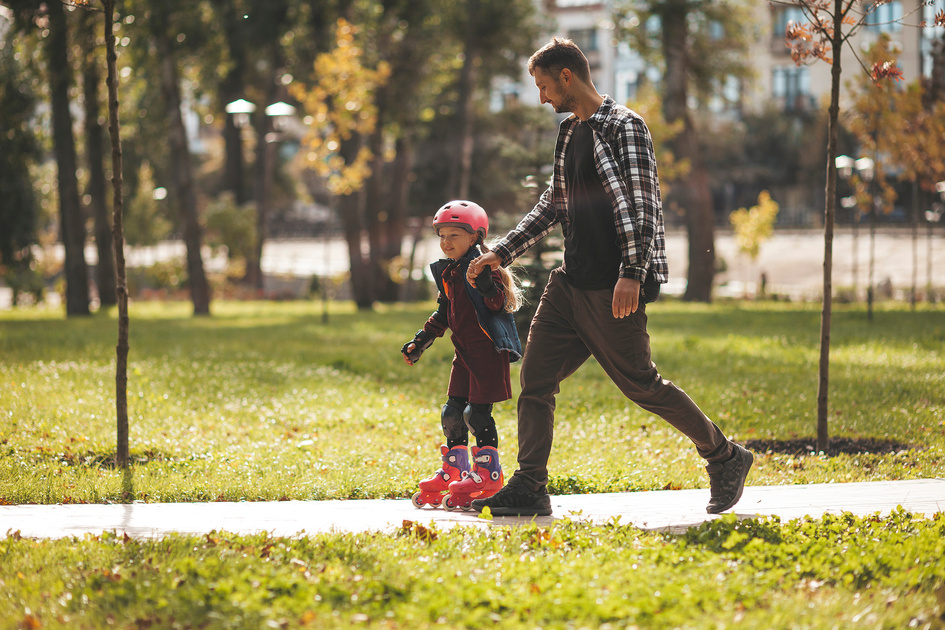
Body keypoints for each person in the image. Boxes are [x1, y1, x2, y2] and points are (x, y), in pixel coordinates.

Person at [467, 37, 753, 517]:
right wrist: (502, 251)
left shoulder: (625, 127)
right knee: (536, 380)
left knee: (641, 384)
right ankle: (531, 485)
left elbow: (644, 206)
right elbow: (553, 203)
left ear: (566, 76)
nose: (541, 98)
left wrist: (632, 274)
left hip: (612, 284)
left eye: (542, 86)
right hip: (570, 283)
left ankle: (724, 456)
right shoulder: (568, 134)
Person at [402, 200, 523, 511]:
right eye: (442, 235)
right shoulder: (450, 272)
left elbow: (498, 305)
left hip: (486, 353)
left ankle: (488, 476)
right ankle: (454, 472)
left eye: (454, 235)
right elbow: (445, 312)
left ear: (475, 237)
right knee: (452, 414)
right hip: (464, 353)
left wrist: (484, 284)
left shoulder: (484, 269)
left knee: (477, 415)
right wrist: (422, 340)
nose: (446, 242)